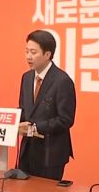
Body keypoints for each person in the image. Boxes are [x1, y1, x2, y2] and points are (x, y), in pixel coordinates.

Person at [17, 30, 76, 180]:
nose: (28, 56)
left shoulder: (62, 81)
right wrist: (14, 123)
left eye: (33, 52)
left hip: (50, 154)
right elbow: (23, 109)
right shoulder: (26, 77)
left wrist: (34, 127)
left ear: (47, 54)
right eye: (26, 51)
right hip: (27, 151)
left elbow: (65, 119)